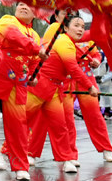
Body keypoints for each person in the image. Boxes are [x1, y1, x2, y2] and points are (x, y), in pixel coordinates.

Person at [27, 13, 97, 172]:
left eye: (82, 26)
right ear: (65, 27)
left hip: (55, 90)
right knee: (23, 122)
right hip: (40, 87)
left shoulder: (70, 43)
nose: (80, 29)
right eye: (76, 26)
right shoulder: (64, 42)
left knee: (60, 126)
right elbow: (72, 68)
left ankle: (66, 159)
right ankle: (5, 154)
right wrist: (89, 86)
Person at [0, 3, 42, 181]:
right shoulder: (7, 20)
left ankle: (20, 165)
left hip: (18, 84)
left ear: (37, 13)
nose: (24, 6)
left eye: (29, 5)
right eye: (20, 4)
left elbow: (34, 62)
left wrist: (35, 76)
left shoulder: (35, 35)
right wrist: (36, 49)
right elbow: (13, 36)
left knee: (18, 126)